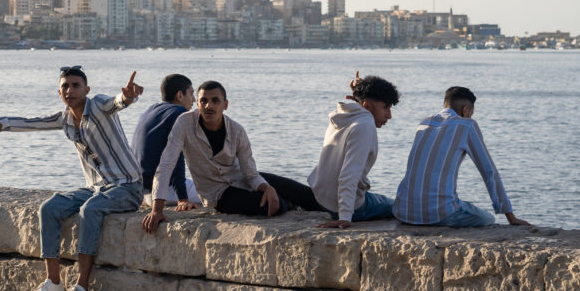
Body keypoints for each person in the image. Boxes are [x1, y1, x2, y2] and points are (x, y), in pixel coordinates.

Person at [0, 66, 144, 291]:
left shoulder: (99, 105)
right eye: (65, 86)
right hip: (96, 187)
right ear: (59, 92)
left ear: (87, 89)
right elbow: (19, 124)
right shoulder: (63, 118)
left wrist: (128, 96)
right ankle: (53, 283)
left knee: (89, 210)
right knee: (50, 207)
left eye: (76, 85)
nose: (70, 90)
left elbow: (118, 102)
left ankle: (82, 289)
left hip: (127, 186)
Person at [143, 80, 320, 233]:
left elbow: (250, 174)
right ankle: (287, 204)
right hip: (218, 195)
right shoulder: (184, 123)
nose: (208, 106)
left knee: (301, 192)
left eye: (215, 101)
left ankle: (343, 215)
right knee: (268, 205)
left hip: (241, 179)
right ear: (197, 104)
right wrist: (157, 210)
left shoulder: (237, 130)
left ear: (225, 104)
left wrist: (266, 187)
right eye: (203, 101)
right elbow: (166, 165)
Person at [393, 86, 531, 227]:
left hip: (404, 212)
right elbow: (489, 172)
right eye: (471, 113)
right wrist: (511, 217)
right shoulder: (467, 125)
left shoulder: (424, 123)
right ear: (465, 110)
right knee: (488, 219)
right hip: (440, 214)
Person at [308, 74, 400, 229]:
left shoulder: (345, 116)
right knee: (399, 205)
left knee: (380, 199)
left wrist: (358, 94)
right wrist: (344, 216)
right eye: (385, 107)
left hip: (321, 197)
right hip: (345, 207)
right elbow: (349, 174)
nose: (389, 115)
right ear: (366, 106)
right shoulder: (364, 125)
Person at [131, 73, 201, 210]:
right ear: (180, 95)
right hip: (163, 193)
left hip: (140, 191)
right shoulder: (179, 113)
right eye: (191, 94)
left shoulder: (150, 110)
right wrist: (183, 199)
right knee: (217, 191)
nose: (194, 99)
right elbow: (176, 160)